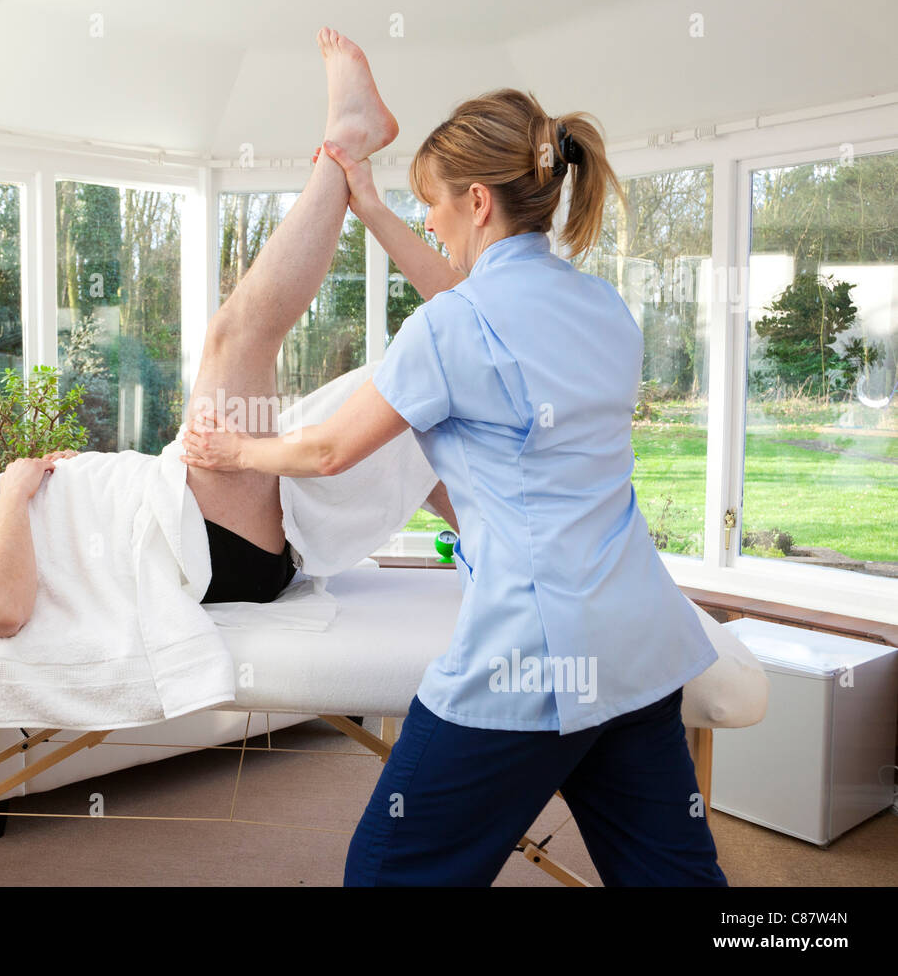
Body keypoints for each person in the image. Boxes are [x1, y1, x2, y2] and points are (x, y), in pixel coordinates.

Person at [180, 89, 727, 886]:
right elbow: (474, 306)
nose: (429, 220)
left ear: (476, 200)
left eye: (431, 204)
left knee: (386, 870)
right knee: (672, 876)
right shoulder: (602, 306)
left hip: (534, 652)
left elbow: (331, 449)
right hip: (641, 637)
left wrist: (240, 449)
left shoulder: (452, 328)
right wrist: (371, 210)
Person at [0, 27, 458, 636]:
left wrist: (69, 488)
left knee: (397, 406)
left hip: (199, 521)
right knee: (234, 336)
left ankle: (499, 551)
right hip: (208, 543)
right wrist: (18, 495)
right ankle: (348, 135)